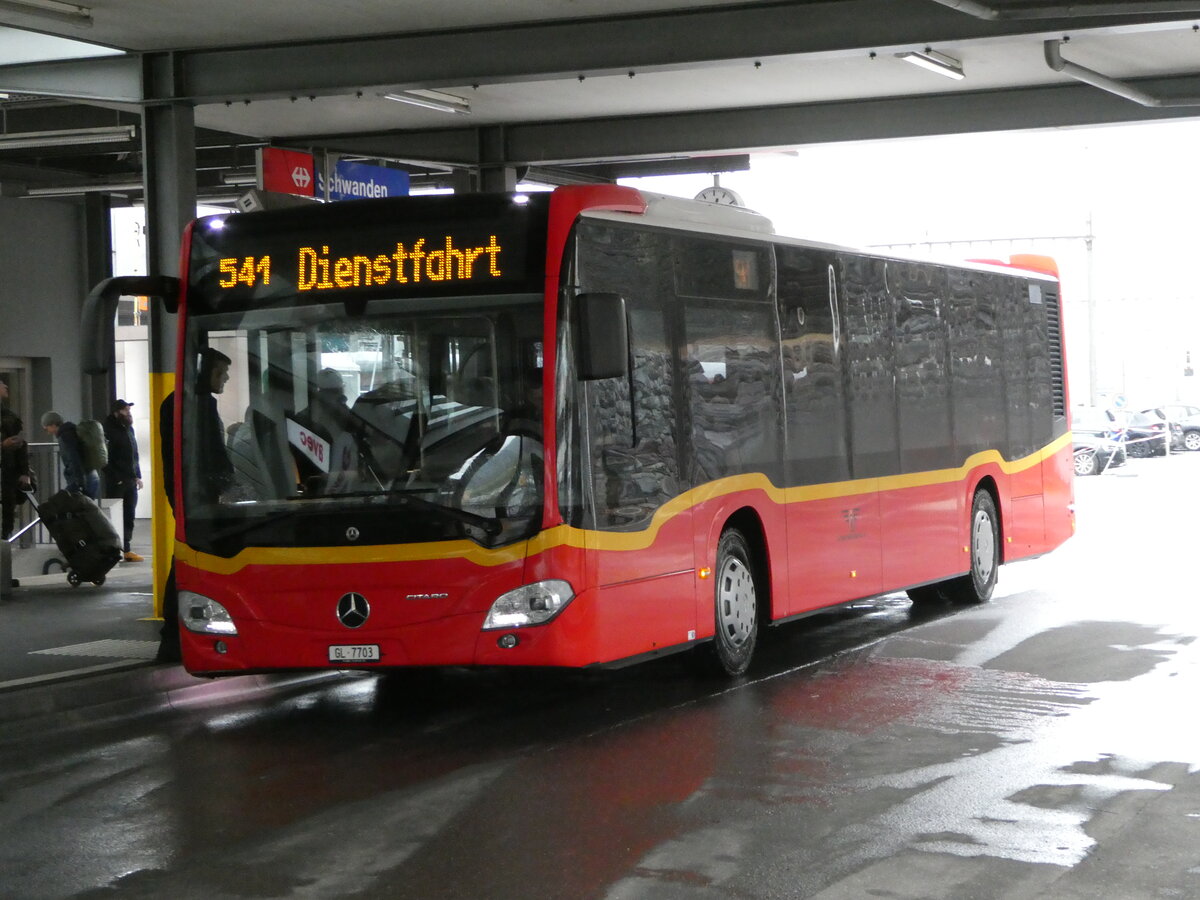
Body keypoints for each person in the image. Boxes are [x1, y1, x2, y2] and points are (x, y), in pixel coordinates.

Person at [103, 399, 144, 562]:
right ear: (116, 412)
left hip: (130, 480)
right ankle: (115, 549)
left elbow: (134, 454)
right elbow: (105, 458)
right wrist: (117, 478)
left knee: (129, 514)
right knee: (116, 516)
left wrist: (137, 476)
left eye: (129, 409)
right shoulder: (108, 430)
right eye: (125, 410)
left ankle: (126, 548)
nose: (129, 412)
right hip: (117, 481)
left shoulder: (128, 429)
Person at [41, 411, 99, 499]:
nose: (47, 432)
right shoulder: (72, 431)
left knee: (72, 506)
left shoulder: (65, 436)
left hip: (82, 478)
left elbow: (73, 458)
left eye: (46, 428)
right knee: (85, 509)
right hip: (91, 475)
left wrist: (79, 483)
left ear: (53, 425)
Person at [1, 377, 32, 539]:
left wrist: (24, 472)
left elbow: (21, 445)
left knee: (8, 512)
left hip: (8, 474)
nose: (6, 386)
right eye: (1, 384)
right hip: (6, 472)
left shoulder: (9, 416)